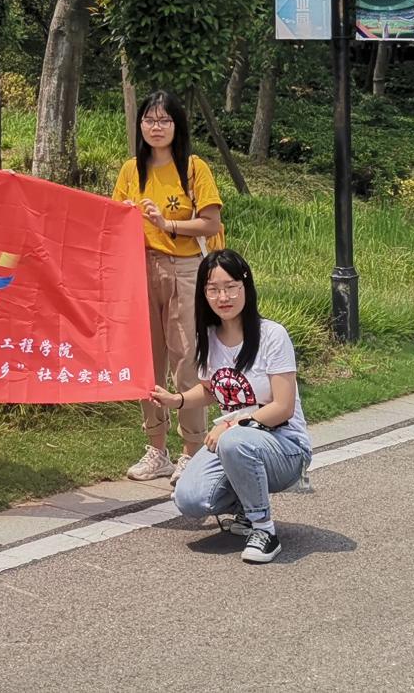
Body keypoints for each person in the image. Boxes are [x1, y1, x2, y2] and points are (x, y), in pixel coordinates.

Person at [152, 249, 311, 564]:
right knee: (190, 499)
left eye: (230, 287)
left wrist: (231, 424)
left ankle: (264, 529)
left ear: (245, 286)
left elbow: (283, 407)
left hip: (285, 446)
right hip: (236, 442)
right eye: (212, 289)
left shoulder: (272, 336)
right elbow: (213, 389)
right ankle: (246, 508)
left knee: (235, 441)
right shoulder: (208, 337)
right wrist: (177, 400)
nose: (222, 297)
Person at [112, 89, 223, 483]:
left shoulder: (193, 168)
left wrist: (167, 224)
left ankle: (192, 450)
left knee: (186, 360)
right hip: (140, 269)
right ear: (139, 125)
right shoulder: (131, 170)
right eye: (149, 119)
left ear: (178, 125)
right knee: (146, 362)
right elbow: (113, 220)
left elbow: (210, 223)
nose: (155, 127)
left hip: (184, 268)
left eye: (164, 120)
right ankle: (156, 449)